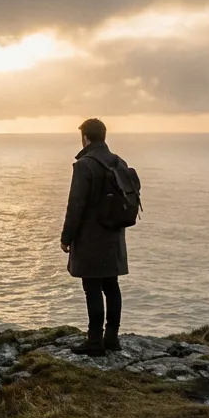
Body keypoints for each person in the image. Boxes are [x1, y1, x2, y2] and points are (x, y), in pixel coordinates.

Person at [60, 118, 131, 356]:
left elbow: (76, 204)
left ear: (85, 138)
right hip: (114, 234)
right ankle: (112, 337)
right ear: (103, 135)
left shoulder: (85, 165)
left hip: (91, 237)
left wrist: (66, 237)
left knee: (92, 287)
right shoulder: (118, 161)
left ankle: (94, 340)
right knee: (112, 286)